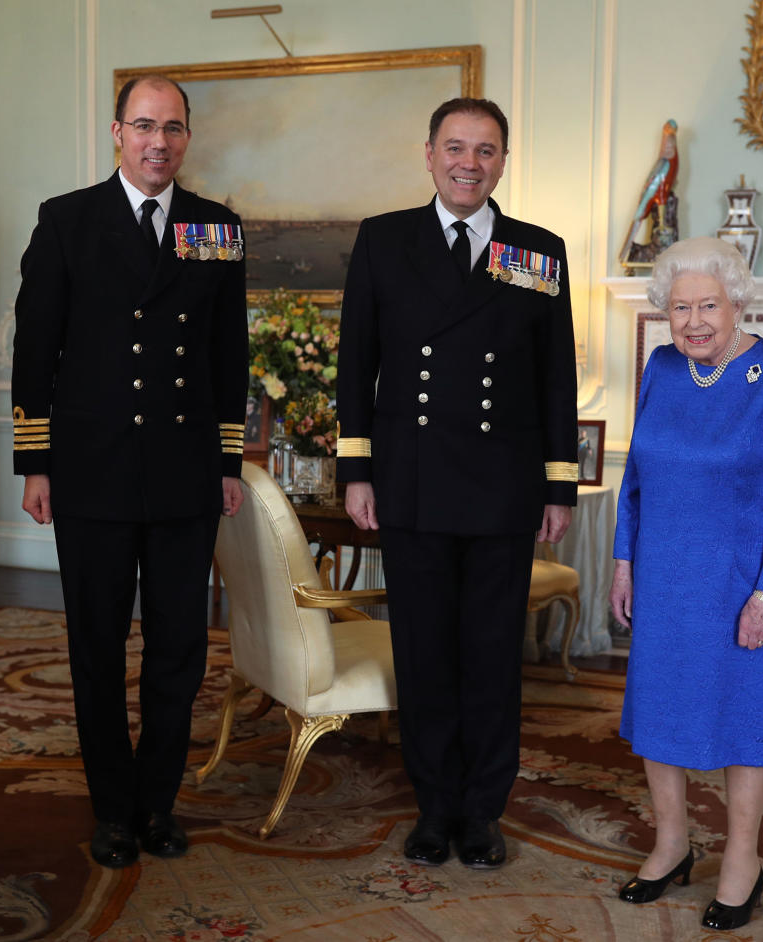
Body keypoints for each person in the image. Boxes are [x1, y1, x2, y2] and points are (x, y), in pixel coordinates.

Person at [11, 74, 248, 869]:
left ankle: (157, 805)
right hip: (92, 473)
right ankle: (111, 809)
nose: (158, 141)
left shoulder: (217, 228)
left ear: (187, 138)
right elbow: (35, 348)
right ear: (117, 133)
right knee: (97, 648)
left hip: (183, 475)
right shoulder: (68, 220)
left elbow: (226, 356)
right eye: (143, 126)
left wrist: (226, 461)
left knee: (179, 649)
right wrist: (34, 461)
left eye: (173, 128)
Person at [336, 97, 578, 870]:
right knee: (425, 654)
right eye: (455, 148)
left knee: (491, 658)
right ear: (429, 153)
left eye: (486, 150)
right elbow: (355, 367)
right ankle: (433, 807)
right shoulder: (383, 240)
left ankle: (483, 812)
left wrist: (558, 486)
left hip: (503, 488)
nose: (469, 163)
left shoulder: (537, 252)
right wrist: (355, 471)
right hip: (410, 484)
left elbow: (555, 380)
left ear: (504, 160)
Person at [609, 237, 763, 931]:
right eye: (680, 309)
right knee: (660, 707)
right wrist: (622, 559)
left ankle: (743, 859)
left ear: (738, 304)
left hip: (737, 582)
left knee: (741, 719)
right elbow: (635, 474)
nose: (694, 321)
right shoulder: (663, 368)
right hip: (664, 573)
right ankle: (671, 844)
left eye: (708, 306)